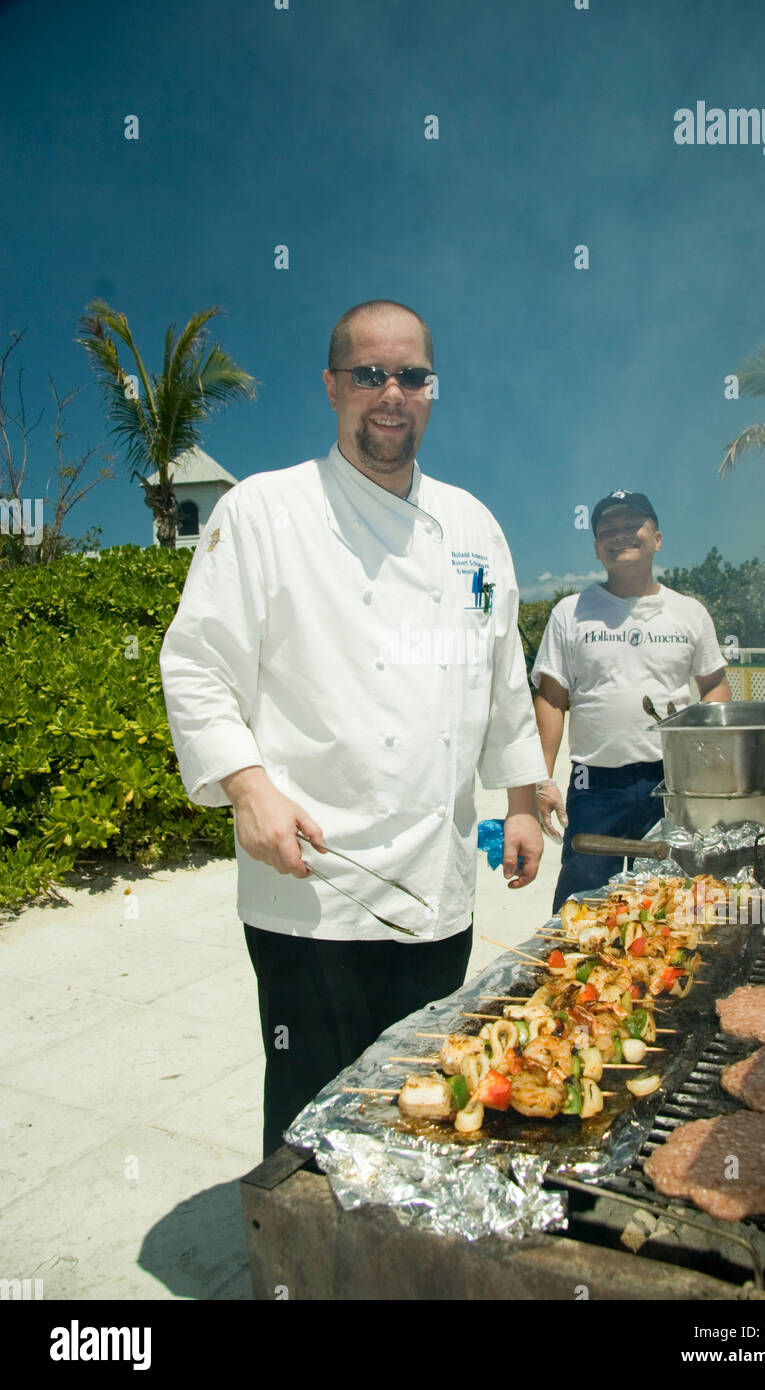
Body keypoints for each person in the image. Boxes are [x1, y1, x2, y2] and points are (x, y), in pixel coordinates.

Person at [159, 299, 547, 1157]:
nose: (391, 393)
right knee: (313, 1107)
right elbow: (195, 663)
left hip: (433, 883)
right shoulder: (265, 510)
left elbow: (500, 674)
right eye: (369, 374)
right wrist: (247, 787)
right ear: (333, 387)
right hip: (310, 883)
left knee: (421, 1099)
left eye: (411, 375)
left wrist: (522, 796)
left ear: (432, 392)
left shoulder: (475, 527)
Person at [532, 489, 730, 912]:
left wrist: (715, 765)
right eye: (608, 530)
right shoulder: (570, 612)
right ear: (597, 548)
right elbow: (551, 699)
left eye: (632, 526)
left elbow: (713, 684)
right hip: (594, 785)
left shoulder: (689, 612)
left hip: (671, 782)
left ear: (656, 538)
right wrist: (541, 778)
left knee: (669, 900)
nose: (620, 535)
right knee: (582, 903)